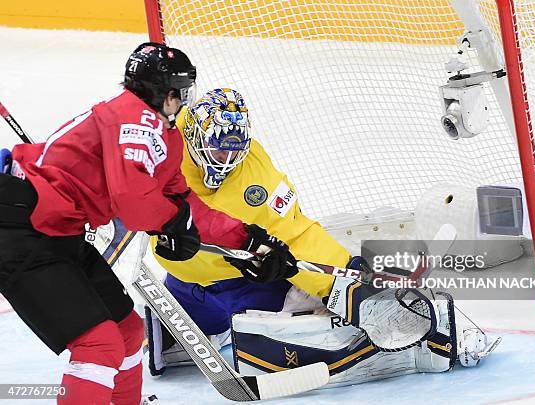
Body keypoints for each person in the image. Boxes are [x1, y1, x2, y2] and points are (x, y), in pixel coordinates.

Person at [0, 45, 292, 405]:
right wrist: (171, 223)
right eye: (181, 92)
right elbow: (134, 201)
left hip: (58, 229)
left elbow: (180, 203)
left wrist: (248, 242)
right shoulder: (133, 118)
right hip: (21, 230)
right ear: (166, 93)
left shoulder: (161, 133)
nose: (184, 100)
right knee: (97, 344)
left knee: (127, 330)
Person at [146, 88, 496, 385]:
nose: (229, 159)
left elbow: (295, 232)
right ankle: (193, 324)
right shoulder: (162, 155)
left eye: (237, 150)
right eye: (220, 149)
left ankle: (190, 328)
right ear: (193, 138)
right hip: (188, 280)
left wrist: (344, 270)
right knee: (283, 312)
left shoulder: (255, 173)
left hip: (229, 281)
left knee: (294, 298)